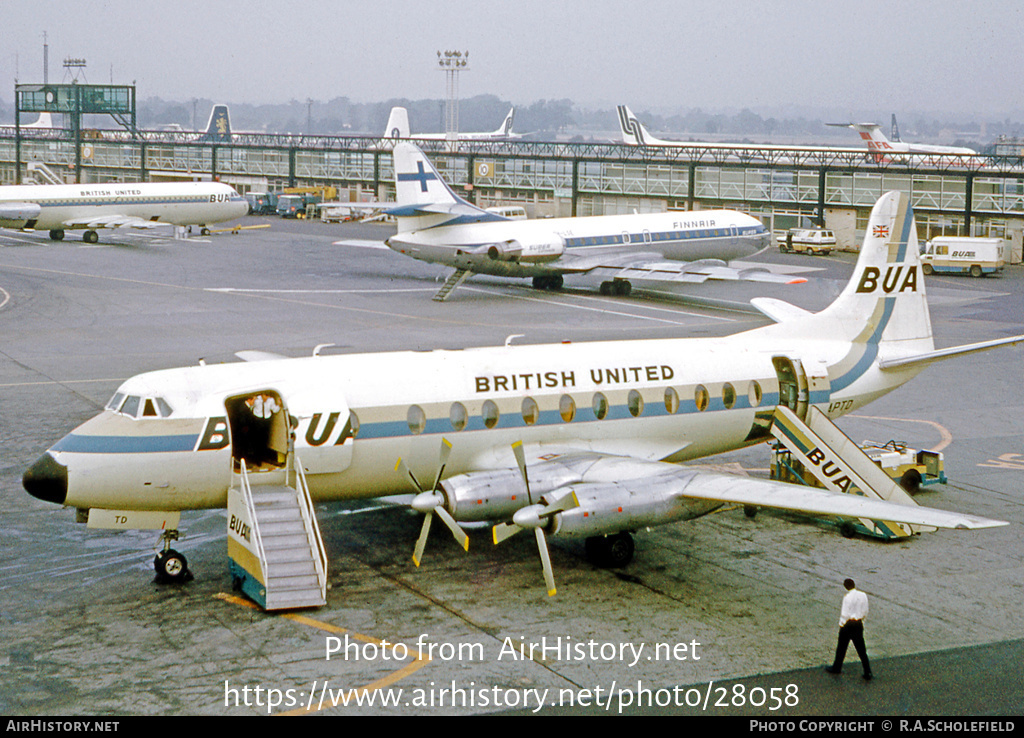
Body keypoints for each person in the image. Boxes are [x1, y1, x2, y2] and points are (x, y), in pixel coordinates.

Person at [825, 578, 873, 680]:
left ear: (846, 586)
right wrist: (862, 622)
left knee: (841, 647)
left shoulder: (847, 598)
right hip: (858, 624)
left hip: (848, 625)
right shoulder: (863, 595)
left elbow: (845, 614)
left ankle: (836, 667)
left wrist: (842, 624)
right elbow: (865, 610)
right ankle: (867, 671)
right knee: (861, 649)